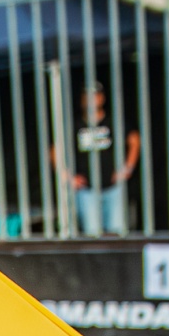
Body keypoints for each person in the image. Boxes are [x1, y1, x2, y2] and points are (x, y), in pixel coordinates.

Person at [66, 81, 139, 237]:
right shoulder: (75, 124)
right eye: (87, 96)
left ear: (102, 98)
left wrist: (127, 169)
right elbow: (56, 149)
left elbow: (134, 140)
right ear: (81, 100)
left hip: (113, 187)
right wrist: (68, 177)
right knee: (91, 235)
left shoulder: (114, 121)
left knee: (116, 233)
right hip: (87, 189)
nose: (91, 100)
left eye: (95, 96)